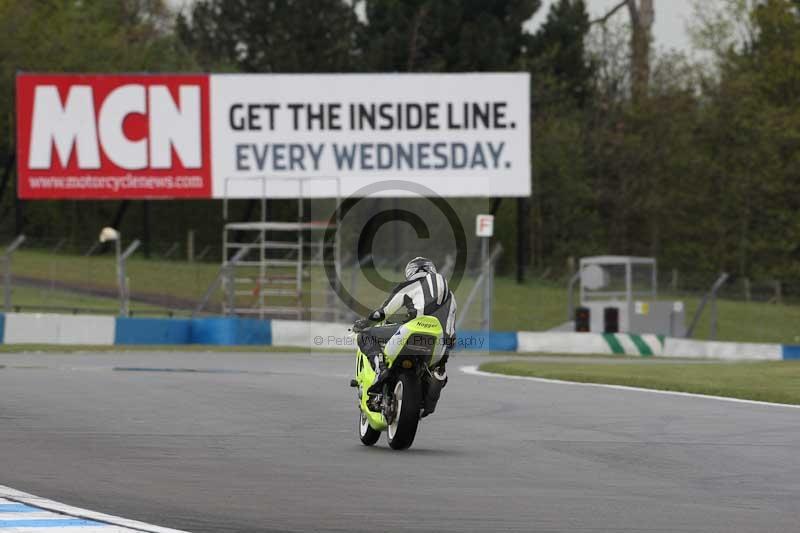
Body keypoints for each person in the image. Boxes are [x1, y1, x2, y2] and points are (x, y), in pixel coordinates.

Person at [353, 257, 456, 416]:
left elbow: (383, 312)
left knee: (365, 336)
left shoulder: (409, 286)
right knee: (439, 370)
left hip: (412, 330)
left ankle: (381, 369)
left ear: (411, 272)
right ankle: (433, 386)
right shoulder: (450, 295)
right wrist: (443, 358)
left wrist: (364, 323)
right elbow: (451, 329)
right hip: (438, 340)